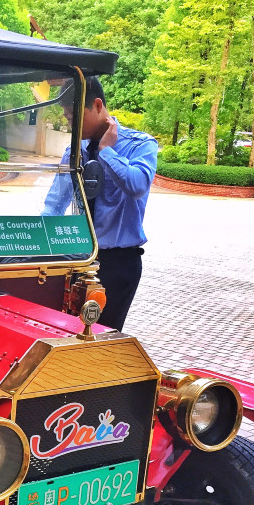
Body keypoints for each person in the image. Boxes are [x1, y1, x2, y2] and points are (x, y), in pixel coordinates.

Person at [43, 76, 158, 330]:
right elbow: (54, 204)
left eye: (75, 116)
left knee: (100, 336)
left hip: (117, 262)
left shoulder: (140, 145)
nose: (70, 123)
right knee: (65, 331)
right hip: (77, 258)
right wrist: (40, 245)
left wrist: (107, 151)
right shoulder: (76, 149)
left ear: (97, 106)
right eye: (67, 117)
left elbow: (137, 185)